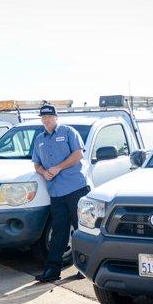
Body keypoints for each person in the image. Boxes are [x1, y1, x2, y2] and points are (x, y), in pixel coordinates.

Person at [32, 104, 90, 282]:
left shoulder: (68, 132)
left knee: (81, 229)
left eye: (49, 116)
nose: (46, 120)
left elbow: (78, 154)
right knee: (59, 232)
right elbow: (36, 164)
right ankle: (52, 270)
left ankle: (85, 268)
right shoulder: (39, 139)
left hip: (75, 188)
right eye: (43, 117)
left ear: (56, 117)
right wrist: (43, 172)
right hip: (56, 192)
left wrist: (57, 168)